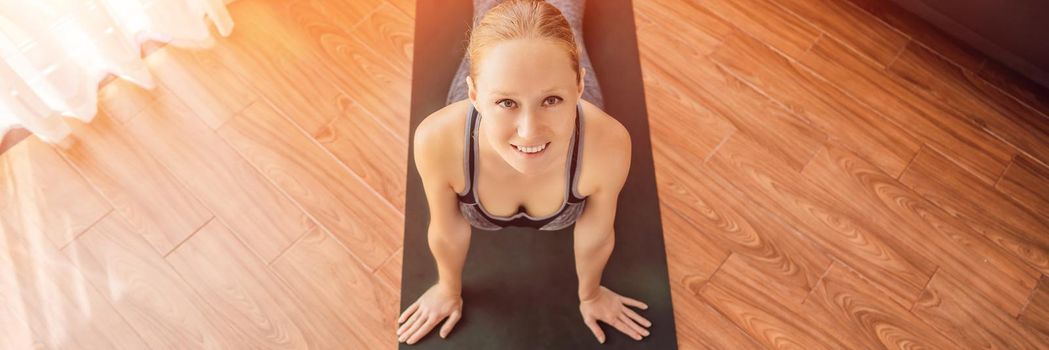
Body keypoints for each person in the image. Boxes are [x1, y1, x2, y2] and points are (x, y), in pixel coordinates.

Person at [400, 0, 649, 345]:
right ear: (473, 94)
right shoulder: (437, 140)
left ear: (578, 87)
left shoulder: (608, 144)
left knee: (566, 17)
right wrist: (447, 288)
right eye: (506, 102)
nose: (529, 131)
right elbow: (445, 229)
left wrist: (590, 295)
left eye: (552, 100)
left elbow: (597, 232)